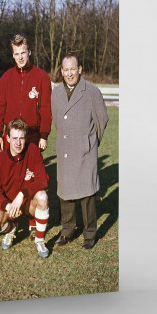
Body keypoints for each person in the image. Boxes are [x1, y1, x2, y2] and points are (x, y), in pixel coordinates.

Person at [0, 33, 52, 237]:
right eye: (16, 54)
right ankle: (14, 215)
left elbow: (45, 109)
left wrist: (44, 135)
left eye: (23, 53)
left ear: (29, 52)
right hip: (11, 137)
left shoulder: (42, 77)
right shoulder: (7, 77)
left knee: (32, 177)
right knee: (13, 178)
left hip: (33, 137)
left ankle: (33, 217)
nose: (20, 57)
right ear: (13, 54)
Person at [51, 52, 109, 250]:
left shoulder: (92, 91)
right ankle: (67, 231)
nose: (69, 74)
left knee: (87, 194)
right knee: (65, 193)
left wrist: (89, 142)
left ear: (80, 69)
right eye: (65, 70)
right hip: (65, 148)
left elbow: (102, 121)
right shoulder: (56, 93)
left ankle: (89, 233)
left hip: (85, 150)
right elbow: (57, 120)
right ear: (61, 71)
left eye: (72, 69)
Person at [0, 118, 51, 258]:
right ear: (7, 138)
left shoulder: (33, 150)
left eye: (21, 138)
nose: (18, 143)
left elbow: (43, 180)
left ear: (26, 138)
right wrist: (8, 205)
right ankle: (11, 230)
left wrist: (22, 194)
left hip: (27, 203)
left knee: (42, 196)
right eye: (14, 138)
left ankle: (40, 240)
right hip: (9, 207)